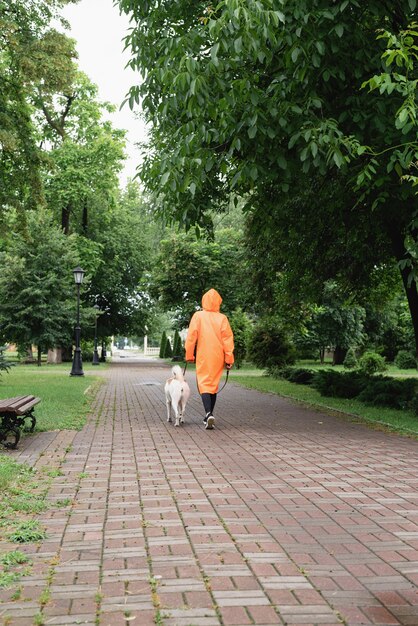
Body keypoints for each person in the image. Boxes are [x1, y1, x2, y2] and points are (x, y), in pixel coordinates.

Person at [185, 288, 234, 429]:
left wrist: (189, 355)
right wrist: (229, 359)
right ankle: (209, 416)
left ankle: (208, 413)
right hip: (218, 356)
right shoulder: (222, 318)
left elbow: (191, 337)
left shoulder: (198, 316)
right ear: (218, 302)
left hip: (203, 355)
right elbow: (228, 340)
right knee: (212, 385)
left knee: (204, 384)